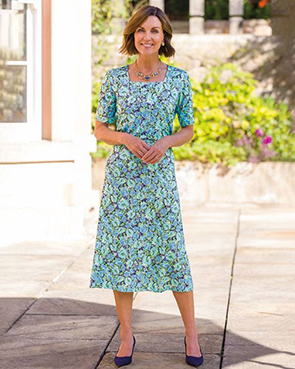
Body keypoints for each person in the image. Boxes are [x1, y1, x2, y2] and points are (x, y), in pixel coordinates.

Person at [89, 5, 204, 368]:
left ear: (164, 36)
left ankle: (191, 334)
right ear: (132, 36)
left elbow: (187, 127)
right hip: (123, 182)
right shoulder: (114, 79)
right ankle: (126, 335)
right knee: (122, 257)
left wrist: (166, 142)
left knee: (173, 254)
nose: (147, 37)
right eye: (140, 31)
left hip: (158, 181)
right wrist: (123, 137)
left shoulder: (179, 79)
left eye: (154, 30)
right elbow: (101, 128)